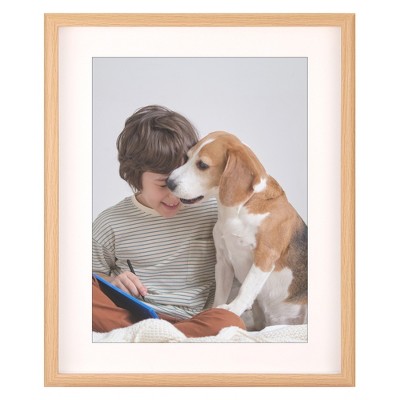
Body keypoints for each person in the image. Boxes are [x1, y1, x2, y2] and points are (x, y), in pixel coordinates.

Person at [92, 105, 245, 337]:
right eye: (164, 184)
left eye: (186, 179)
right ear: (135, 176)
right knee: (76, 289)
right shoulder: (110, 223)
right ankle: (159, 335)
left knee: (228, 321)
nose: (176, 195)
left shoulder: (213, 211)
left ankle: (155, 336)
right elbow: (88, 275)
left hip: (197, 319)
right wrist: (113, 280)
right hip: (134, 316)